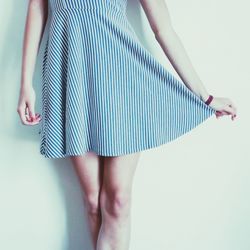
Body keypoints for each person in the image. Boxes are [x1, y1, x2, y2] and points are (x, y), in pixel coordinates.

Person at [17, 0, 237, 250]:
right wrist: (25, 83)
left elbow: (163, 28)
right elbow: (37, 6)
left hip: (121, 79)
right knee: (92, 201)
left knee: (118, 200)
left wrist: (205, 96)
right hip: (72, 77)